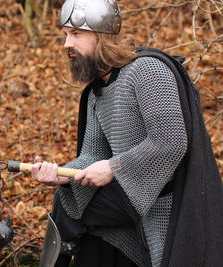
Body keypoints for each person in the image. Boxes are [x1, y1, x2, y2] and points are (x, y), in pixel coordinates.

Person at [30, 0, 223, 266]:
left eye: (76, 34)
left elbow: (171, 141)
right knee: (72, 208)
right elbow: (91, 155)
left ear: (102, 35)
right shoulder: (100, 89)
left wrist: (113, 167)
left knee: (70, 210)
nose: (67, 44)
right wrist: (61, 175)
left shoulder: (147, 71)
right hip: (130, 194)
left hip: (166, 199)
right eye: (65, 35)